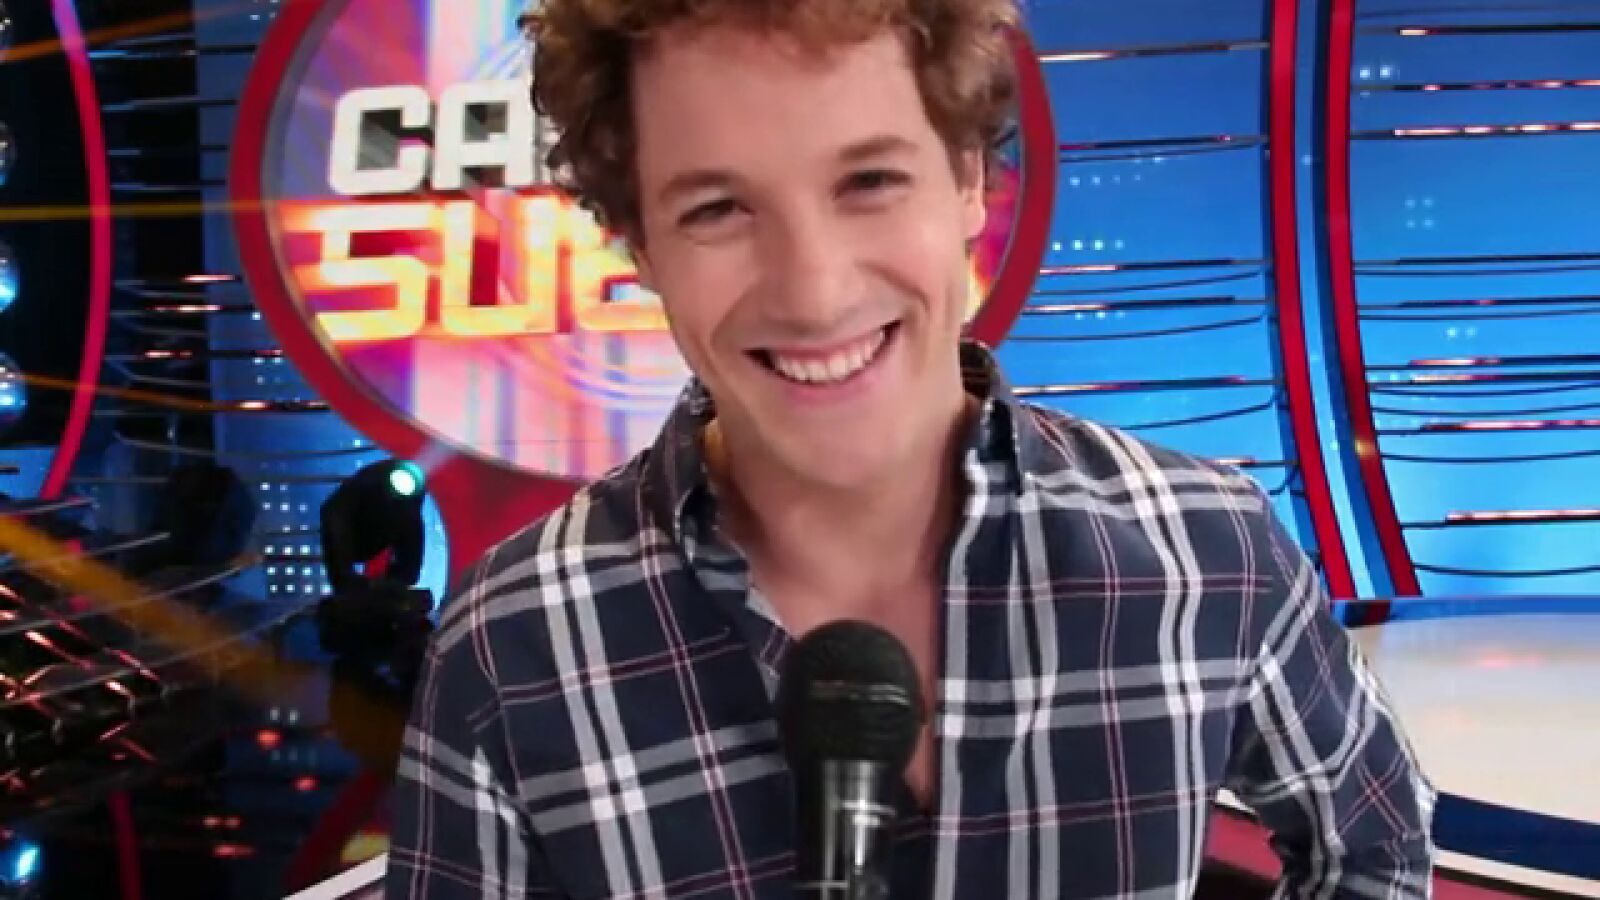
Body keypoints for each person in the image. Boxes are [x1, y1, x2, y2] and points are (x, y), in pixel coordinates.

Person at [385, 0, 1437, 897]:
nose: (814, 291)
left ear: (968, 179)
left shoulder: (1209, 551)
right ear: (639, 245)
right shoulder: (511, 647)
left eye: (869, 182)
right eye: (718, 208)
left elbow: (1374, 846)